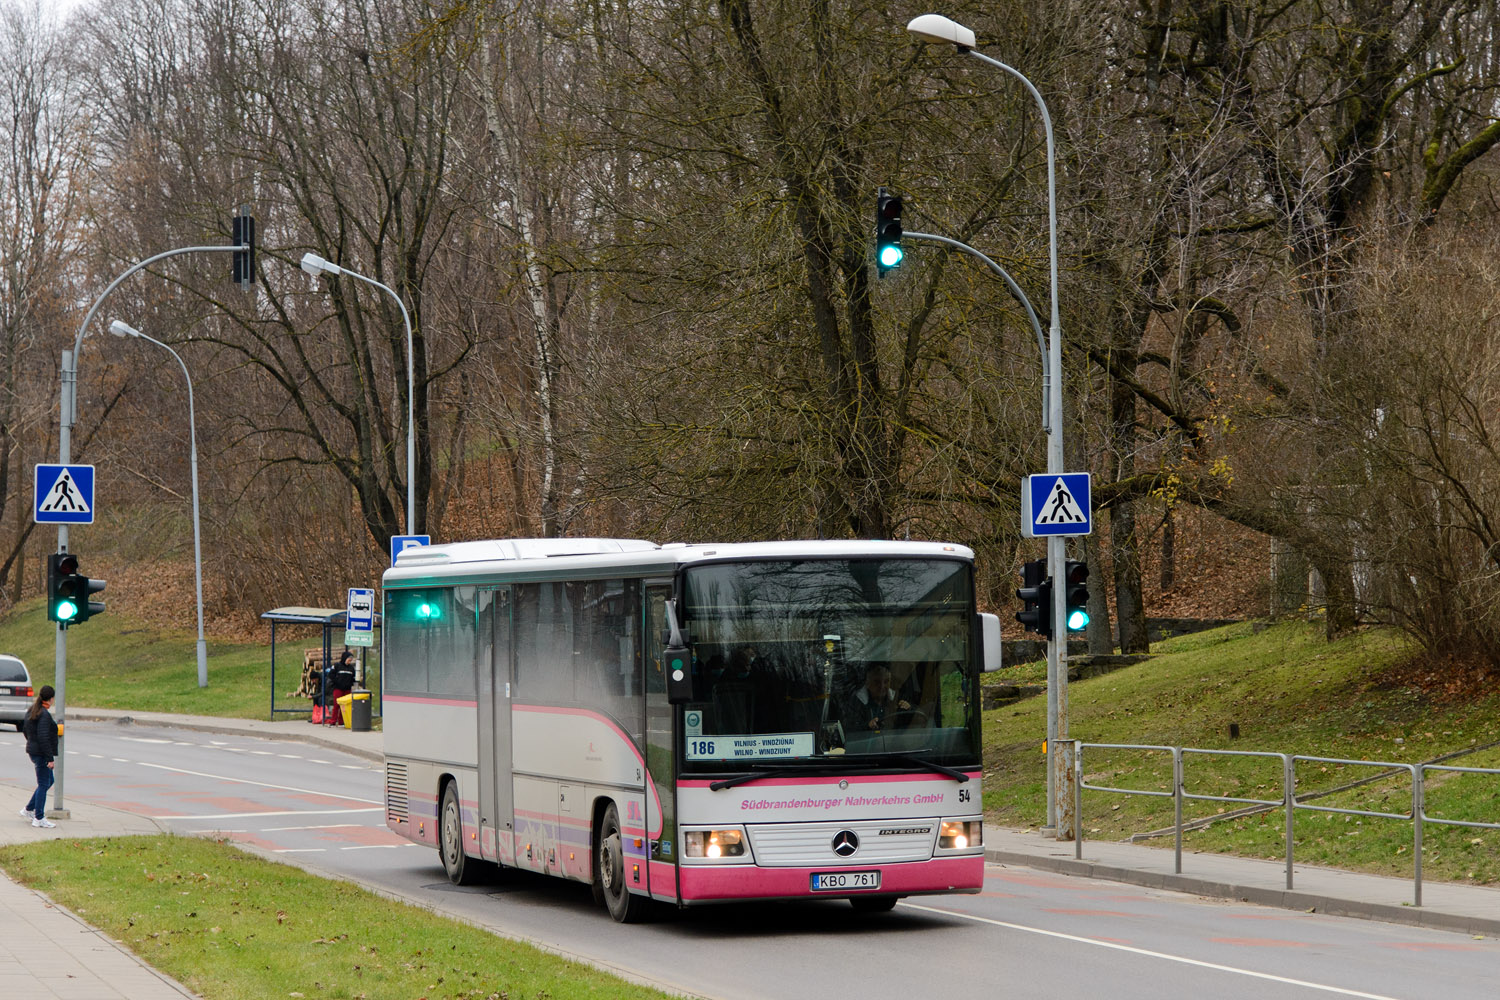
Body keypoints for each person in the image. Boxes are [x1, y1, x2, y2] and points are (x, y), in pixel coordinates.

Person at [19, 685, 58, 828]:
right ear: (51, 699)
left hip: (34, 751)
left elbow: (25, 730)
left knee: (49, 781)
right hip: (41, 754)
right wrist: (49, 758)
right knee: (43, 784)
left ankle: (29, 809)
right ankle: (39, 817)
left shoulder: (32, 710)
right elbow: (43, 737)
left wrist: (31, 742)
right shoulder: (44, 714)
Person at [843, 664, 919, 732]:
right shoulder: (856, 702)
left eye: (886, 681)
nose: (882, 686)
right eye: (877, 682)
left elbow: (917, 718)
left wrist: (910, 709)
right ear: (867, 682)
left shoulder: (898, 697)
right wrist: (868, 726)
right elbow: (850, 730)